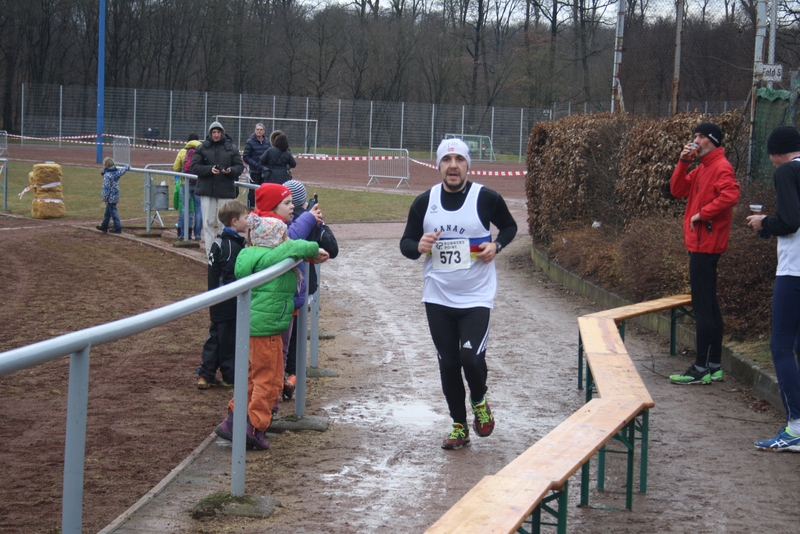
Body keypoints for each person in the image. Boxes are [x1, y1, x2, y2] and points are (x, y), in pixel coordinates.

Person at [399, 138, 517, 450]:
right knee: (449, 364)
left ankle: (479, 399)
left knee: (471, 359)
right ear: (438, 165)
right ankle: (459, 426)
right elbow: (406, 244)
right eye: (447, 160)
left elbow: (509, 227)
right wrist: (419, 245)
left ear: (467, 165)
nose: (453, 165)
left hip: (476, 296)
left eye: (459, 159)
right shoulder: (424, 202)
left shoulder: (486, 198)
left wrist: (497, 245)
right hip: (438, 297)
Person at [214, 184, 329, 450]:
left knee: (251, 377)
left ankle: (233, 421)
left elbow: (290, 248)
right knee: (269, 380)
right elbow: (295, 246)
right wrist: (313, 249)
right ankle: (254, 427)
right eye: (282, 236)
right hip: (267, 329)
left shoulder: (250, 254)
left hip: (254, 327)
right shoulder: (272, 255)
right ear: (274, 238)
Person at [668, 122, 740, 385]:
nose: (695, 140)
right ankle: (714, 365)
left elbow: (731, 195)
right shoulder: (701, 168)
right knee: (709, 305)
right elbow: (677, 190)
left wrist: (702, 214)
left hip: (705, 244)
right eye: (694, 136)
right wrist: (683, 162)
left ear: (712, 140)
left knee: (702, 308)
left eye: (700, 136)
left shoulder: (721, 166)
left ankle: (700, 368)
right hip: (700, 244)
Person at [747, 126, 800, 452]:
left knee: (780, 346)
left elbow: (790, 222)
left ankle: (796, 427)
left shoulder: (786, 171)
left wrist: (764, 222)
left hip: (794, 272)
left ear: (776, 152)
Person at [281, 179, 339, 399]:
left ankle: (289, 379)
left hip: (293, 291)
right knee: (291, 341)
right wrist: (315, 222)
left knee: (288, 341)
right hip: (297, 291)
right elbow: (332, 248)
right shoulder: (297, 223)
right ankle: (290, 378)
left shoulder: (290, 221)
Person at [196, 200, 248, 389]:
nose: (249, 220)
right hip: (227, 302)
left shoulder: (220, 243)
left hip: (217, 300)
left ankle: (206, 374)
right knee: (227, 339)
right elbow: (230, 276)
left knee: (216, 337)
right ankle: (229, 376)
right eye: (246, 217)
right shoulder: (230, 246)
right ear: (234, 221)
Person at [191, 121, 244, 252]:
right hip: (206, 190)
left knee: (224, 223)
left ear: (222, 133)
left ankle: (223, 251)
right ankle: (210, 252)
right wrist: (209, 169)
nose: (216, 135)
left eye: (218, 132)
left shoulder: (231, 148)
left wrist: (230, 170)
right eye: (214, 132)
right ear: (210, 133)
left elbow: (239, 166)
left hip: (225, 190)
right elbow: (195, 166)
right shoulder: (202, 148)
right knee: (207, 222)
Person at [173, 133, 203, 240]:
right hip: (199, 183)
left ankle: (184, 234)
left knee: (185, 208)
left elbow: (176, 168)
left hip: (184, 183)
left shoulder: (182, 151)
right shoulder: (202, 151)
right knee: (199, 209)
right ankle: (198, 234)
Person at [96, 157, 130, 234]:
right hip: (115, 195)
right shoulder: (116, 173)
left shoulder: (107, 175)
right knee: (108, 212)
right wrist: (127, 166)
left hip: (110, 197)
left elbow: (106, 188)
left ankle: (117, 227)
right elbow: (123, 169)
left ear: (106, 165)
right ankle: (104, 226)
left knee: (113, 212)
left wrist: (105, 199)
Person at [242, 123, 270, 209]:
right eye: (257, 129)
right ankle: (250, 209)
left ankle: (262, 209)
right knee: (253, 192)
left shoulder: (267, 142)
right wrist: (256, 165)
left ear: (264, 131)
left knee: (264, 192)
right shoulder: (250, 142)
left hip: (265, 172)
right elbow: (246, 157)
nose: (259, 131)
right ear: (255, 130)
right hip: (255, 172)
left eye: (261, 130)